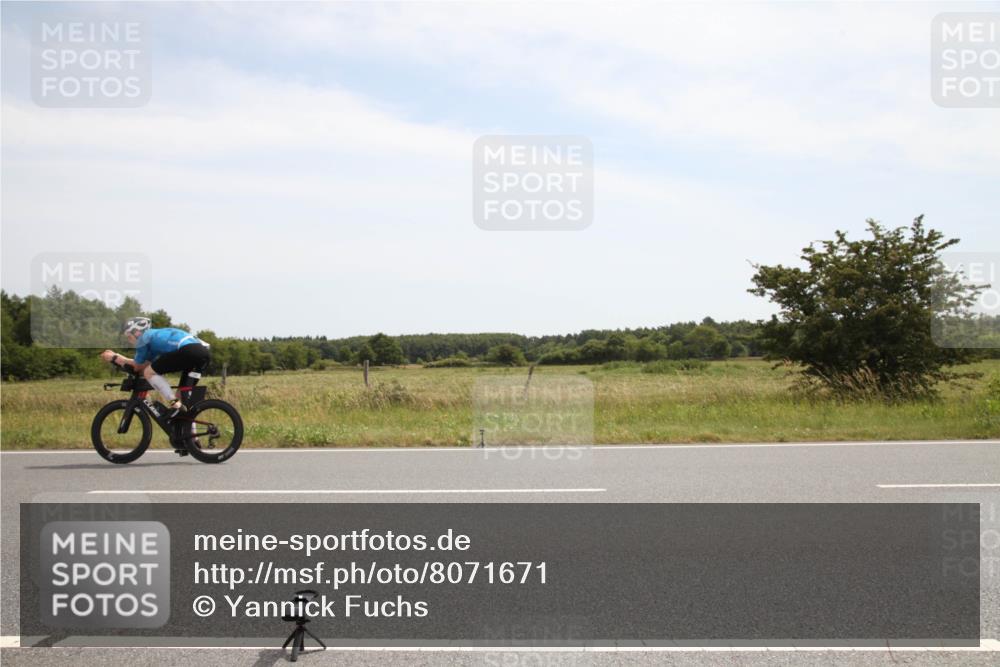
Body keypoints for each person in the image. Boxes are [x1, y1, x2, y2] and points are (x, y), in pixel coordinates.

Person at [100, 317, 211, 419]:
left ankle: (173, 402)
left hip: (189, 350)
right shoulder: (155, 338)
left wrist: (116, 357)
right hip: (203, 354)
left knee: (149, 373)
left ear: (137, 332)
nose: (130, 341)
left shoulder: (143, 338)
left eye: (129, 337)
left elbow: (137, 366)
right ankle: (192, 439)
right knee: (184, 404)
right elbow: (145, 364)